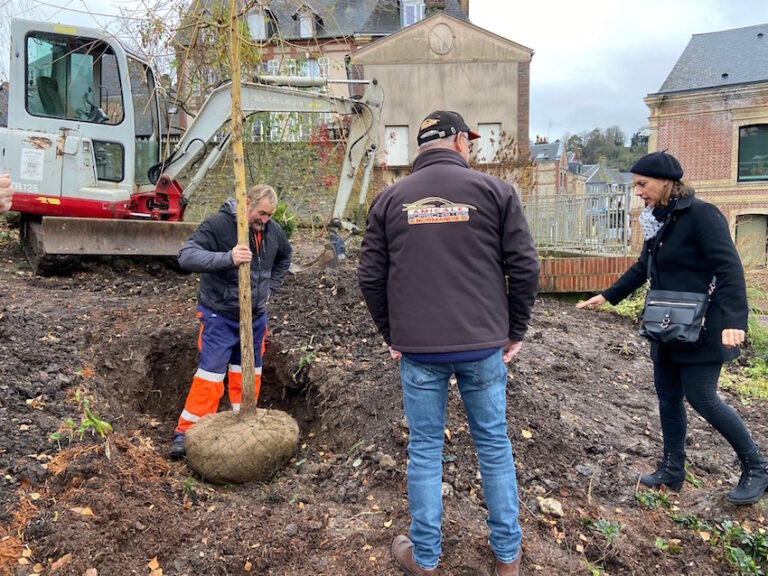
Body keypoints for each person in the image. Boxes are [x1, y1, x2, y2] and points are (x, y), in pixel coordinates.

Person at [358, 110, 540, 576]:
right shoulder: (496, 192)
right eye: (470, 141)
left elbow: (370, 277)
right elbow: (525, 267)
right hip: (483, 347)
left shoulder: (388, 200)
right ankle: (507, 559)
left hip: (419, 350)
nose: (472, 147)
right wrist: (514, 329)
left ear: (421, 147)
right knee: (494, 446)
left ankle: (425, 560)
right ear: (459, 142)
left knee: (424, 450)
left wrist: (391, 334)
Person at [578, 151, 768, 505]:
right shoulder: (657, 221)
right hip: (667, 326)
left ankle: (756, 466)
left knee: (703, 398)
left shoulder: (702, 216)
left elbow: (729, 270)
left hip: (703, 328)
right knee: (667, 398)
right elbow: (642, 268)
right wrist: (607, 296)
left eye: (642, 184)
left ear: (666, 181)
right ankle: (672, 469)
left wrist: (734, 322)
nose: (638, 192)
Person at [170, 184, 292, 459]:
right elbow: (186, 256)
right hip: (219, 315)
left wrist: (270, 287)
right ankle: (187, 432)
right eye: (261, 213)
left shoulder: (272, 232)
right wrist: (228, 257)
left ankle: (243, 424)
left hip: (255, 317)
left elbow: (286, 256)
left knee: (248, 372)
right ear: (246, 203)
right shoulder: (219, 225)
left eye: (270, 215)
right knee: (211, 374)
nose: (265, 220)